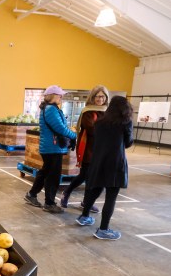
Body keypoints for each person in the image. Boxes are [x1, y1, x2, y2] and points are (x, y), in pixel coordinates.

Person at [76, 96, 133, 240]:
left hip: (98, 160)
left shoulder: (99, 122)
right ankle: (103, 229)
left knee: (94, 190)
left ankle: (84, 216)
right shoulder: (125, 121)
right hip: (115, 162)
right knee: (111, 197)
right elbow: (128, 142)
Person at [24, 85, 77, 213]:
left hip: (49, 147)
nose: (61, 97)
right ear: (53, 96)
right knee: (53, 176)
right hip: (52, 148)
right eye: (60, 95)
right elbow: (60, 128)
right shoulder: (51, 110)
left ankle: (31, 195)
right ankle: (49, 203)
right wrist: (74, 135)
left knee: (45, 172)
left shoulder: (48, 108)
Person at [60, 86, 109, 212]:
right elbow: (91, 129)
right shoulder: (87, 111)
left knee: (90, 177)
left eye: (103, 96)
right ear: (93, 97)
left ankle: (85, 202)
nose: (100, 99)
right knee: (85, 176)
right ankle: (67, 193)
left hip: (102, 149)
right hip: (88, 149)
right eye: (98, 96)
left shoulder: (108, 111)